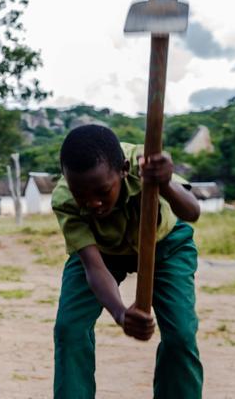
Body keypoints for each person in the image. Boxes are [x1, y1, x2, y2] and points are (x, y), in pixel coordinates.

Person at [51, 124, 203, 398]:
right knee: (69, 328)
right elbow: (93, 267)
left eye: (102, 191)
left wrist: (165, 183)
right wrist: (121, 314)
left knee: (181, 334)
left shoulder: (146, 165)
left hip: (165, 244)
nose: (92, 203)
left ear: (123, 169)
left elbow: (192, 212)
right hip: (101, 252)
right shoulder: (65, 200)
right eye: (81, 195)